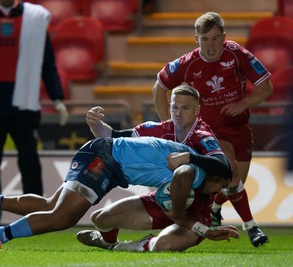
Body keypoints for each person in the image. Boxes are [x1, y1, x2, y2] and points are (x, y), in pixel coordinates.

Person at [0, 136, 235, 250]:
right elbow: (178, 207)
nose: (216, 193)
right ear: (215, 178)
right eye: (219, 186)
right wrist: (195, 224)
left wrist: (192, 222)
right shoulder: (193, 172)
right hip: (105, 159)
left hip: (110, 160)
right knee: (62, 217)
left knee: (53, 204)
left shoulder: (191, 161)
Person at [153, 12, 272, 247]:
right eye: (205, 39)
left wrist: (242, 104)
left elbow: (266, 87)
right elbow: (159, 87)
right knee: (233, 175)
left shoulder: (236, 54)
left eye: (216, 39)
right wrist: (170, 125)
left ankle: (215, 209)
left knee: (231, 186)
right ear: (195, 39)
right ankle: (252, 227)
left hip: (239, 129)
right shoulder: (187, 64)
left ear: (224, 37)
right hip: (209, 134)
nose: (210, 45)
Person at [77, 84, 233, 251]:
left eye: (186, 108)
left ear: (197, 110)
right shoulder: (159, 130)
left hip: (195, 210)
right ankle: (108, 242)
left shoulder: (202, 135)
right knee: (100, 219)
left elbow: (225, 168)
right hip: (164, 199)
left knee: (163, 245)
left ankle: (132, 246)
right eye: (175, 107)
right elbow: (112, 137)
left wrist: (189, 157)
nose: (178, 113)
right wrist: (95, 123)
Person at [0, 0, 68, 229]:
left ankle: (38, 216)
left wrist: (57, 97)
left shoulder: (34, 20)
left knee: (29, 161)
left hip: (24, 103)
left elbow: (47, 61)